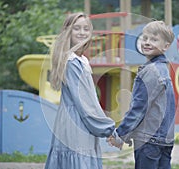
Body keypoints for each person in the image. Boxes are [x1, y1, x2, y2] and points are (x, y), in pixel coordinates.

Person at [44, 12, 119, 169]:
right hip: (76, 122)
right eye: (76, 28)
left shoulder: (80, 59)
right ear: (68, 32)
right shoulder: (73, 62)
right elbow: (86, 103)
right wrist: (109, 129)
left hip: (73, 120)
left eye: (86, 28)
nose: (82, 32)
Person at [108, 20, 176, 169]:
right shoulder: (164, 70)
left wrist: (120, 134)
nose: (147, 42)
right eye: (144, 38)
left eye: (154, 39)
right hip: (166, 139)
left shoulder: (150, 72)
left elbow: (139, 108)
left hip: (149, 140)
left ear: (166, 46)